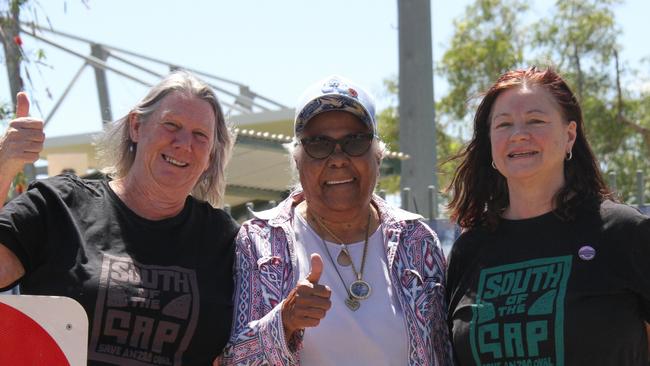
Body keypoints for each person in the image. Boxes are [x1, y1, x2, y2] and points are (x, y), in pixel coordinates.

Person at [0, 71, 239, 365]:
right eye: (171, 125)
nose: (183, 143)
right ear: (136, 126)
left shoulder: (225, 240)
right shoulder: (60, 205)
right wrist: (4, 164)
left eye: (200, 135)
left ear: (212, 156)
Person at [220, 75, 453, 365]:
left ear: (378, 156)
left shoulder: (417, 240)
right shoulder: (259, 241)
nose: (338, 158)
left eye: (355, 141)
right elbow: (232, 361)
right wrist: (285, 321)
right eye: (319, 144)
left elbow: (445, 353)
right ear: (297, 160)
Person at [445, 66, 650, 365]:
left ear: (569, 135)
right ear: (490, 142)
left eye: (535, 120)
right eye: (503, 125)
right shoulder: (469, 249)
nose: (519, 134)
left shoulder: (624, 233)